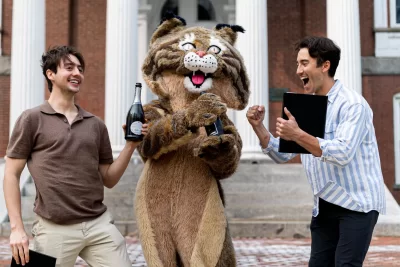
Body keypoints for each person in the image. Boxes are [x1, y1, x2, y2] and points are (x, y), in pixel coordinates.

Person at [246, 36, 386, 267]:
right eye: (297, 63)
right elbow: (282, 154)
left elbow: (342, 153)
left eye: (303, 63)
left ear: (325, 65)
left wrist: (298, 134)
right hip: (324, 203)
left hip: (357, 204)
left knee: (345, 265)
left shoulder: (352, 105)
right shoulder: (305, 106)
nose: (298, 69)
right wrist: (258, 126)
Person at [4, 45, 148, 267]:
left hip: (98, 226)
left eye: (80, 69)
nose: (77, 73)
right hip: (54, 228)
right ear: (50, 74)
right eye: (69, 67)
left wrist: (131, 145)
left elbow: (109, 179)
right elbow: (12, 174)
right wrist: (16, 229)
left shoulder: (96, 125)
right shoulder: (32, 119)